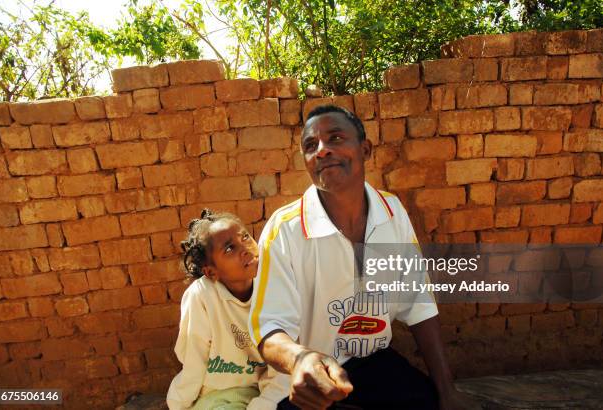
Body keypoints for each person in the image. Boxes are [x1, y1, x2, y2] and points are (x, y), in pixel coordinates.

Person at [248, 105, 477, 409]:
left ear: (365, 149)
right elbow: (269, 330)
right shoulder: (285, 229)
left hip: (373, 364)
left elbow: (418, 302)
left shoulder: (392, 212)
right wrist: (300, 359)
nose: (322, 150)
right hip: (308, 381)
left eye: (335, 138)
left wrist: (446, 390)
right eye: (310, 146)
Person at [167, 209, 288, 410]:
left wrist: (263, 404)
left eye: (246, 237)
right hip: (218, 397)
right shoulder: (202, 296)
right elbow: (194, 362)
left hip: (263, 392)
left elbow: (281, 370)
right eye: (230, 249)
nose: (246, 248)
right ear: (211, 272)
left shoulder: (273, 286)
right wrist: (178, 404)